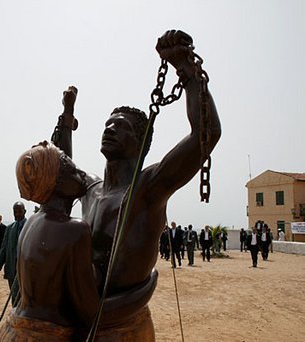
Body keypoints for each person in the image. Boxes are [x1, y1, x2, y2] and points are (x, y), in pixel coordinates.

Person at [53, 30, 221, 338]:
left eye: (121, 126)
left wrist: (187, 69)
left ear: (140, 141)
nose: (110, 129)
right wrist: (67, 117)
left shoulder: (148, 188)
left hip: (124, 324)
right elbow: (60, 169)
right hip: (83, 315)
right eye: (107, 124)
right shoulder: (91, 189)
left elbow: (203, 136)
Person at [0, 142, 155, 340]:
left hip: (14, 330)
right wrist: (145, 288)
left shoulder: (31, 223)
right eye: (71, 169)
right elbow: (91, 314)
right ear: (55, 180)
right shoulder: (74, 229)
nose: (81, 173)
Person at [0, 201, 26, 306]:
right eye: (14, 212)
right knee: (14, 294)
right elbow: (3, 249)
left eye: (19, 212)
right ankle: (15, 316)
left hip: (25, 267)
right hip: (12, 266)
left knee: (24, 295)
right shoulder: (9, 228)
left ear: (24, 211)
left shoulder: (31, 226)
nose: (17, 214)